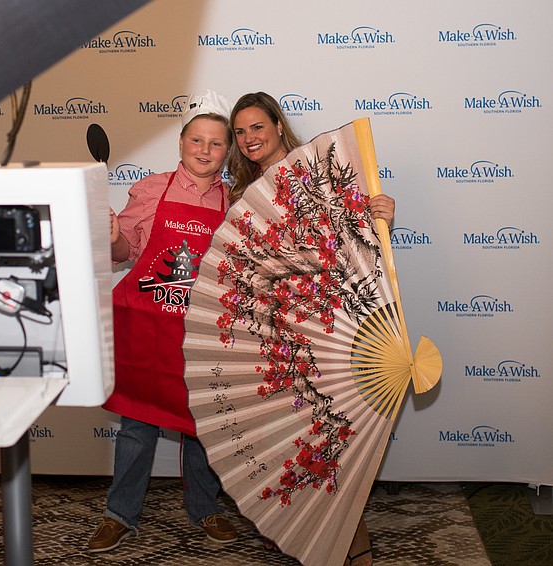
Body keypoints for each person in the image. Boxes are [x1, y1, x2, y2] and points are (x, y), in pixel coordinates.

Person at [229, 92, 394, 566]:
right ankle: (303, 534)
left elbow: (352, 237)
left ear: (279, 126)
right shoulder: (244, 198)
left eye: (257, 127)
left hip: (332, 327)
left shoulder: (319, 172)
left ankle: (354, 544)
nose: (249, 139)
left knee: (338, 438)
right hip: (282, 332)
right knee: (296, 437)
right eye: (240, 133)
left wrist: (380, 214)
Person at [88, 91, 238, 553]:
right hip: (148, 327)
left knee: (200, 429)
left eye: (215, 144)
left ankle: (205, 508)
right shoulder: (152, 189)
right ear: (181, 142)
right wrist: (112, 235)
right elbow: (125, 255)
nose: (204, 150)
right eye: (197, 140)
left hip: (199, 333)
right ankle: (120, 514)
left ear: (227, 151)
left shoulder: (234, 202)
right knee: (137, 425)